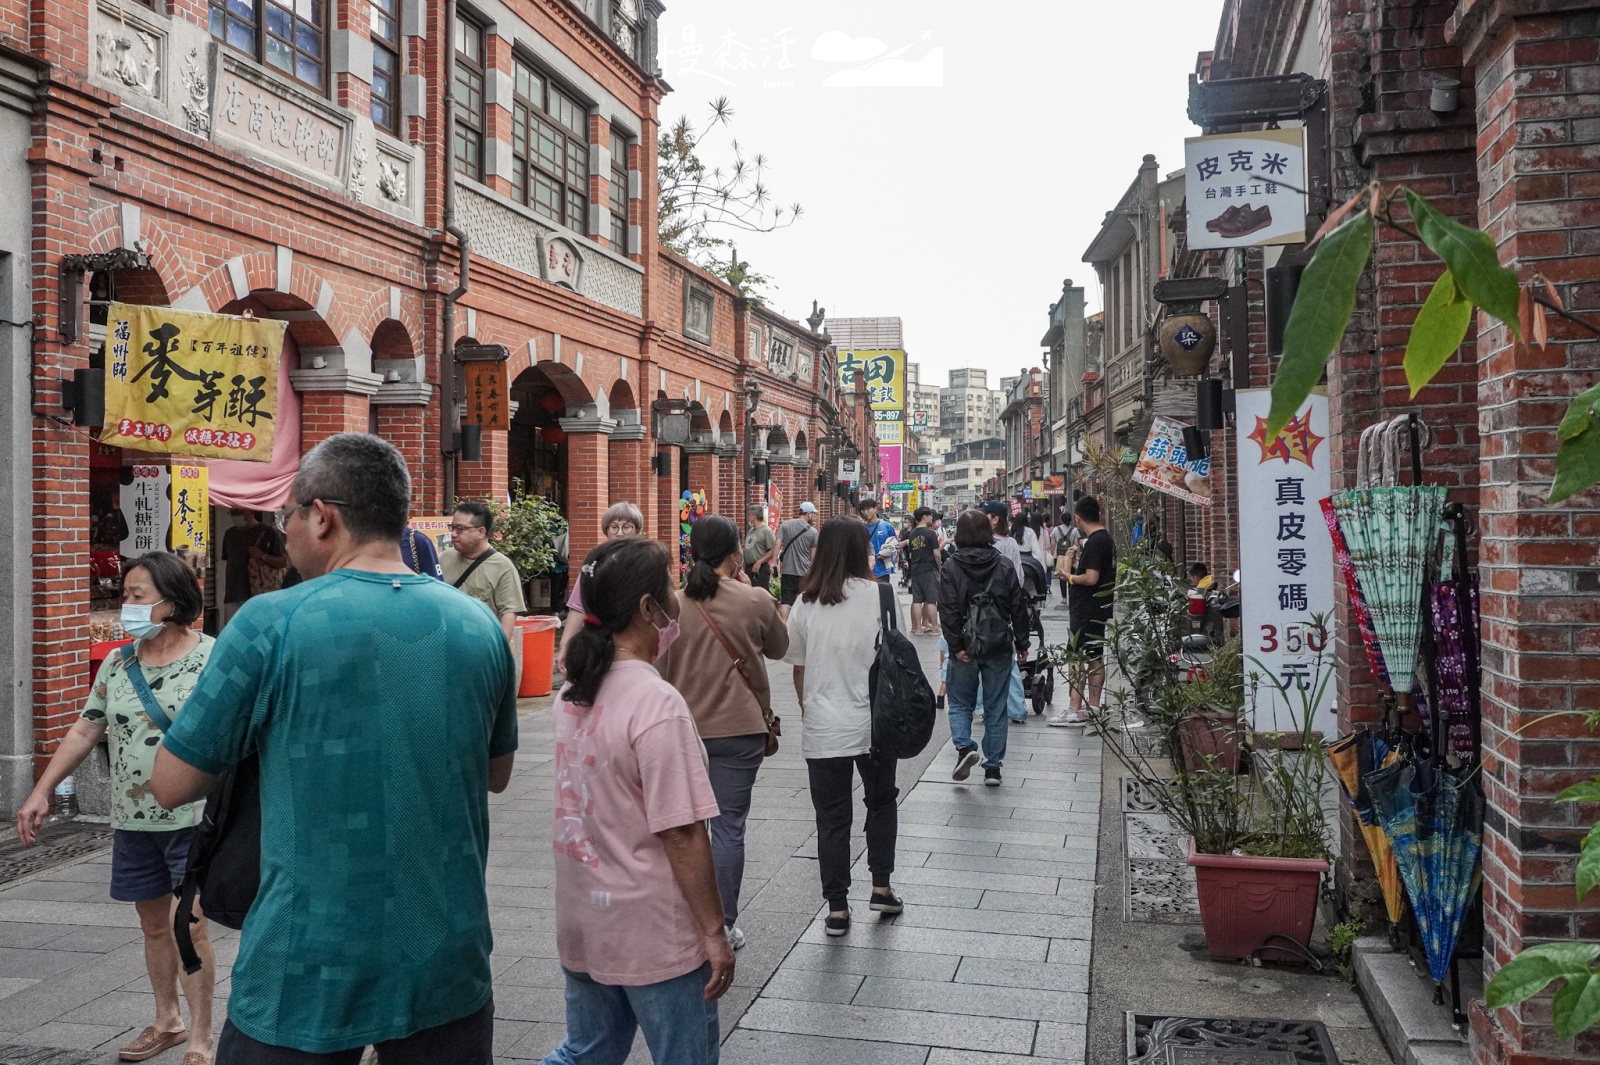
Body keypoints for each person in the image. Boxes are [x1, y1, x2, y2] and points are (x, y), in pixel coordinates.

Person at [150, 433, 519, 1064]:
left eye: (285, 516)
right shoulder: (477, 624)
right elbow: (497, 772)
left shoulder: (271, 622)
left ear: (322, 516)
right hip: (445, 952)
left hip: (307, 959)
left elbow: (172, 784)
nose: (283, 533)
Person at [18, 552, 216, 1065]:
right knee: (153, 926)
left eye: (136, 596)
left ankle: (200, 1036)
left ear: (171, 603)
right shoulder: (119, 661)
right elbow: (86, 727)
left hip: (191, 818)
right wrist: (42, 790)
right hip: (132, 819)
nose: (126, 605)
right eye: (125, 595)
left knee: (187, 925)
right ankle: (166, 1020)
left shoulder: (213, 658)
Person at [539, 537, 731, 1065]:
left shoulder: (572, 693)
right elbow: (682, 832)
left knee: (587, 1052)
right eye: (669, 587)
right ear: (649, 607)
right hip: (653, 932)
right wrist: (714, 932)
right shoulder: (656, 704)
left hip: (584, 916)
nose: (676, 598)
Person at [658, 515, 787, 953]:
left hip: (682, 730)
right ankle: (724, 925)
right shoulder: (753, 600)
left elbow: (655, 666)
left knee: (682, 827)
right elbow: (780, 647)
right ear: (735, 553)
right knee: (728, 828)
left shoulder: (672, 604)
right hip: (740, 728)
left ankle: (684, 920)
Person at [785, 517, 905, 936]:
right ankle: (881, 886)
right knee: (881, 801)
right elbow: (899, 657)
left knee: (832, 818)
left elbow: (798, 667)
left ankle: (837, 908)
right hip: (877, 723)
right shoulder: (884, 597)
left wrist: (809, 705)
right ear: (862, 551)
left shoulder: (805, 602)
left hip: (824, 724)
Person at [939, 510, 1029, 786]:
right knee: (996, 707)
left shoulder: (951, 567)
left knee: (960, 702)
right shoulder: (1003, 565)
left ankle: (965, 747)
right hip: (999, 645)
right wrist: (1023, 643)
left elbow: (948, 611)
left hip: (965, 646)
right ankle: (993, 768)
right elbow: (1018, 606)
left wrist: (956, 647)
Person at [1051, 494, 1117, 727]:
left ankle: (1075, 709)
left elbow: (1090, 578)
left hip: (1087, 608)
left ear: (1078, 518)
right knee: (1095, 656)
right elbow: (1093, 572)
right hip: (1098, 608)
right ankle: (1094, 707)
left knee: (1076, 657)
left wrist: (1068, 576)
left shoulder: (1096, 540)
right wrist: (1077, 561)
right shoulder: (1103, 539)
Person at [556, 502, 644, 674]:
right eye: (613, 527)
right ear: (606, 530)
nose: (619, 533)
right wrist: (565, 646)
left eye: (626, 527)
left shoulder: (647, 562)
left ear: (636, 530)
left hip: (638, 643)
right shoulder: (595, 563)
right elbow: (578, 607)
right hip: (600, 644)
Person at [441, 500, 526, 642]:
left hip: (481, 645)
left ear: (481, 532)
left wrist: (500, 651)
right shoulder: (444, 558)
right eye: (452, 527)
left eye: (460, 529)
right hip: (446, 644)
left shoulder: (502, 567)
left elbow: (509, 612)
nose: (454, 534)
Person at [978, 502, 1029, 723]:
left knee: (979, 661)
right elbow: (1018, 577)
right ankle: (1016, 708)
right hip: (1001, 611)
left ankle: (981, 708)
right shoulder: (1009, 545)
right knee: (1007, 662)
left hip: (979, 611)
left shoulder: (977, 544)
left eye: (985, 515)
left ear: (995, 519)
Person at [219, 509, 286, 627]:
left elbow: (283, 562)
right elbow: (228, 563)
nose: (234, 517)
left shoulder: (267, 533)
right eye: (232, 513)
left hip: (260, 595)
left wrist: (262, 556)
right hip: (233, 595)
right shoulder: (230, 534)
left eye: (237, 513)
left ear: (249, 511)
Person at [774, 501, 820, 621]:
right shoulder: (813, 532)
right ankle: (799, 624)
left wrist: (774, 562)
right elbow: (813, 556)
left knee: (786, 600)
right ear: (809, 514)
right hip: (805, 572)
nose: (814, 516)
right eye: (813, 514)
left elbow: (777, 544)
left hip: (788, 570)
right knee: (803, 599)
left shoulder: (786, 525)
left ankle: (784, 625)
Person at [903, 507, 942, 635]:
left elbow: (911, 552)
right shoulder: (930, 533)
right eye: (930, 516)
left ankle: (918, 628)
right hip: (928, 569)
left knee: (917, 600)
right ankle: (935, 628)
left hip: (915, 569)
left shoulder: (912, 533)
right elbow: (936, 553)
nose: (932, 518)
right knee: (931, 600)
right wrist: (939, 567)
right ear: (924, 517)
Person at [856, 498, 898, 583]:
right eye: (863, 510)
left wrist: (888, 553)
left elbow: (895, 544)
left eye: (868, 509)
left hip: (883, 570)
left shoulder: (887, 526)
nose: (865, 512)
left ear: (875, 509)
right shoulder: (860, 528)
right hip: (866, 571)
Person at [743, 504, 777, 591]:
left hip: (760, 568)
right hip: (749, 567)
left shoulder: (766, 531)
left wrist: (760, 562)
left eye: (749, 515)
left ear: (754, 517)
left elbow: (773, 550)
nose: (748, 517)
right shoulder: (751, 530)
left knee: (760, 593)